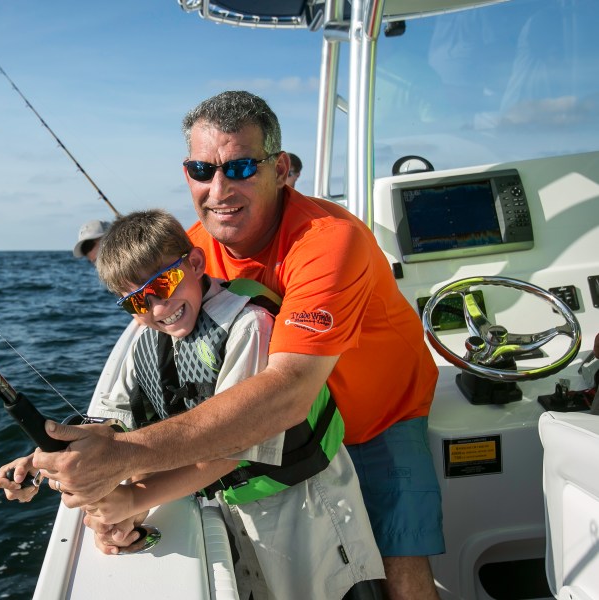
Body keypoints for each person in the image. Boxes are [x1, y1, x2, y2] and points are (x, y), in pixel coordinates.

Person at [33, 91, 443, 600]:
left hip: (380, 416)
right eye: (202, 169)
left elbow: (288, 390)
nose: (219, 188)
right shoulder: (193, 247)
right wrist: (62, 449)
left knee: (400, 563)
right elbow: (149, 345)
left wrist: (124, 455)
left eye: (242, 167)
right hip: (300, 436)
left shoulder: (328, 240)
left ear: (283, 169)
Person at [0, 208, 384, 599]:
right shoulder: (144, 339)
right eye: (137, 302)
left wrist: (134, 498)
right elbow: (113, 424)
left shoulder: (248, 325)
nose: (158, 309)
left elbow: (227, 449)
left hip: (305, 512)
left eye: (164, 283)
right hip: (228, 509)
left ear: (196, 263)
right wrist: (46, 461)